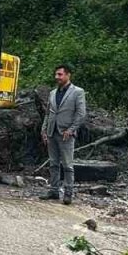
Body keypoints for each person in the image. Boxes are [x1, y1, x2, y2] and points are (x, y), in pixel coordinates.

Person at [39, 63, 87, 205]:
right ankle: (54, 191)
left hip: (66, 133)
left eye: (60, 74)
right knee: (53, 163)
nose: (57, 77)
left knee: (67, 165)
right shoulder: (53, 93)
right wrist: (44, 130)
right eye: (56, 74)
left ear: (68, 75)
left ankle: (68, 193)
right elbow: (48, 113)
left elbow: (81, 113)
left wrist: (71, 129)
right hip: (52, 132)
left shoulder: (77, 92)